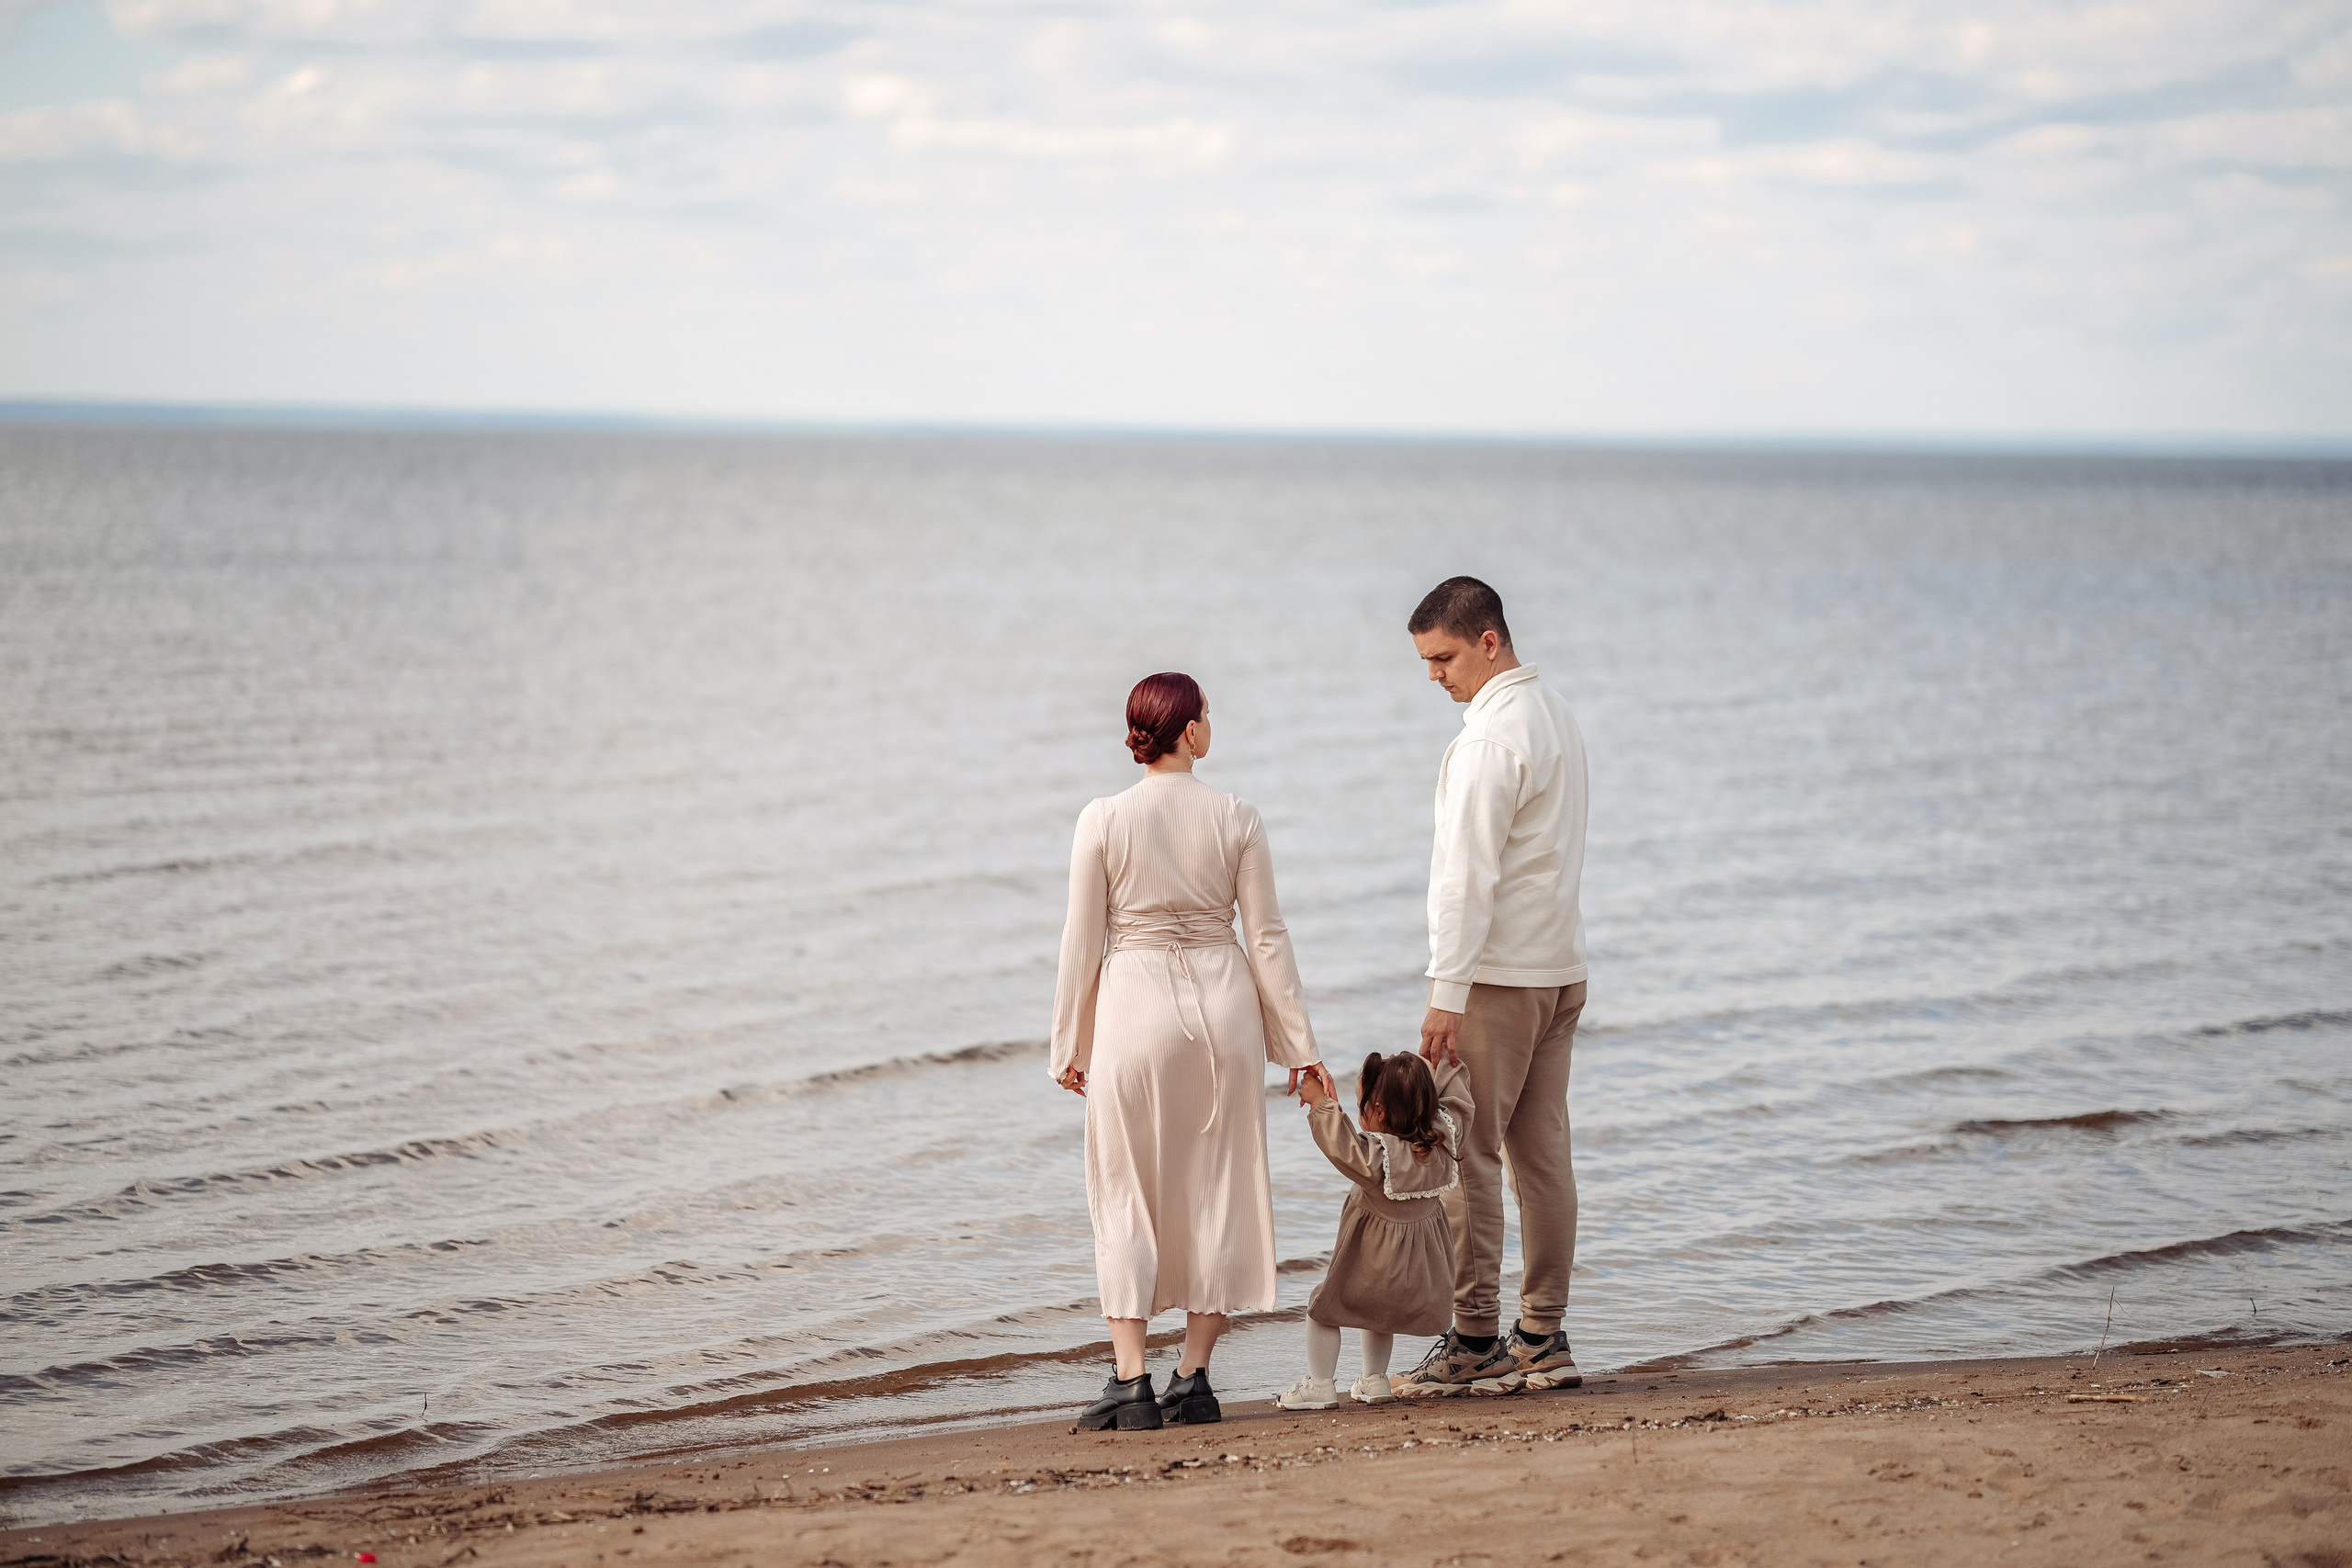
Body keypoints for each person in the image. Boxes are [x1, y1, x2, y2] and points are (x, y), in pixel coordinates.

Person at [1050, 671, 1335, 1431]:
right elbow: (1266, 938)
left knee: (1125, 1191)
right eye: (1208, 713)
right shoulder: (1237, 815)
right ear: (1193, 731)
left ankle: (1131, 1380)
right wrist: (1300, 1049)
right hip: (1224, 1008)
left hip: (1135, 1009)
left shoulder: (1102, 819)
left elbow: (1083, 941)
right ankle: (1195, 1377)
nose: (1210, 723)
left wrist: (1068, 1043)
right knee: (1219, 1189)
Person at [1404, 576, 1590, 1389]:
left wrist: (1447, 991)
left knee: (1467, 1156)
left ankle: (1475, 1338)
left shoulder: (1489, 739)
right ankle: (1543, 1335)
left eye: (1443, 657)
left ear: (1489, 641)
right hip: (1558, 969)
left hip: (1499, 979)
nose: (1434, 675)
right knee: (1542, 1156)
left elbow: (1464, 878)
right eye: (1424, 661)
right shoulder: (1552, 713)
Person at [1276, 1049, 1475, 1410]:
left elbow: (1343, 1146)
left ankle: (1320, 1384)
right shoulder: (1444, 1142)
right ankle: (1374, 1379)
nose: (1359, 1113)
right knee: (1380, 1313)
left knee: (1322, 1309)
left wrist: (1321, 1104)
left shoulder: (1379, 1160)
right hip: (1414, 1274)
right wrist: (1448, 1062)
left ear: (1379, 1112)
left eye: (1361, 1106)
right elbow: (1460, 1105)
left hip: (1371, 1263)